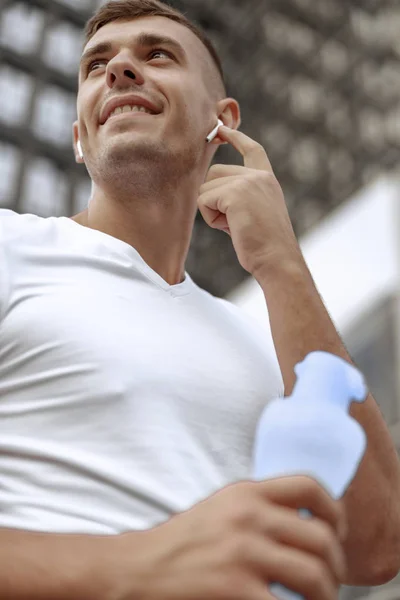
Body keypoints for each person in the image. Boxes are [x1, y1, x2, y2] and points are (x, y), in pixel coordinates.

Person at [0, 0, 399, 598]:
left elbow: (376, 545)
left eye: (157, 53)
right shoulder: (10, 246)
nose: (120, 70)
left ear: (224, 121)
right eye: (95, 65)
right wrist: (134, 566)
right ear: (80, 136)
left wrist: (281, 264)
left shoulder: (269, 344)